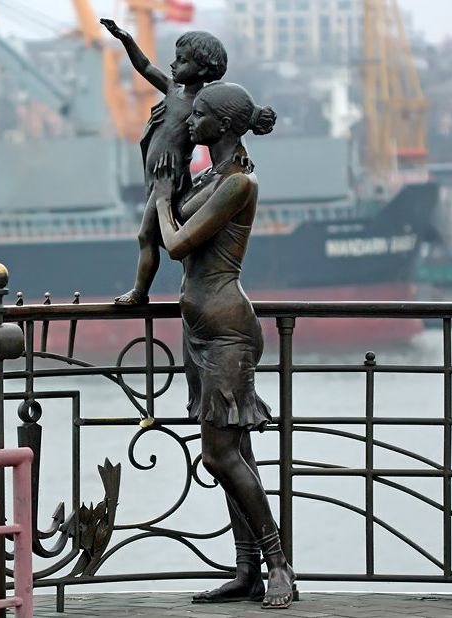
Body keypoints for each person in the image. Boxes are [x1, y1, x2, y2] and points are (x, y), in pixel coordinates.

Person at [152, 81, 295, 609]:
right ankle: (246, 570)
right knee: (238, 453)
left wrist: (163, 199)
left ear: (225, 125)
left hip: (228, 331)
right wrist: (167, 179)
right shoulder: (210, 176)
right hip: (200, 331)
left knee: (218, 457)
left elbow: (176, 243)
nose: (191, 122)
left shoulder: (238, 184)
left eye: (200, 115)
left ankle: (278, 566)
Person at [100, 19, 227, 306]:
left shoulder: (202, 104)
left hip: (169, 179)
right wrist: (126, 39)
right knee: (172, 237)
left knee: (147, 235)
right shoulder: (172, 90)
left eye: (182, 60)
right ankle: (198, 282)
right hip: (156, 177)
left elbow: (227, 123)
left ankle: (140, 293)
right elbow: (145, 67)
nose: (173, 64)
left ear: (203, 69)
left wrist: (251, 125)